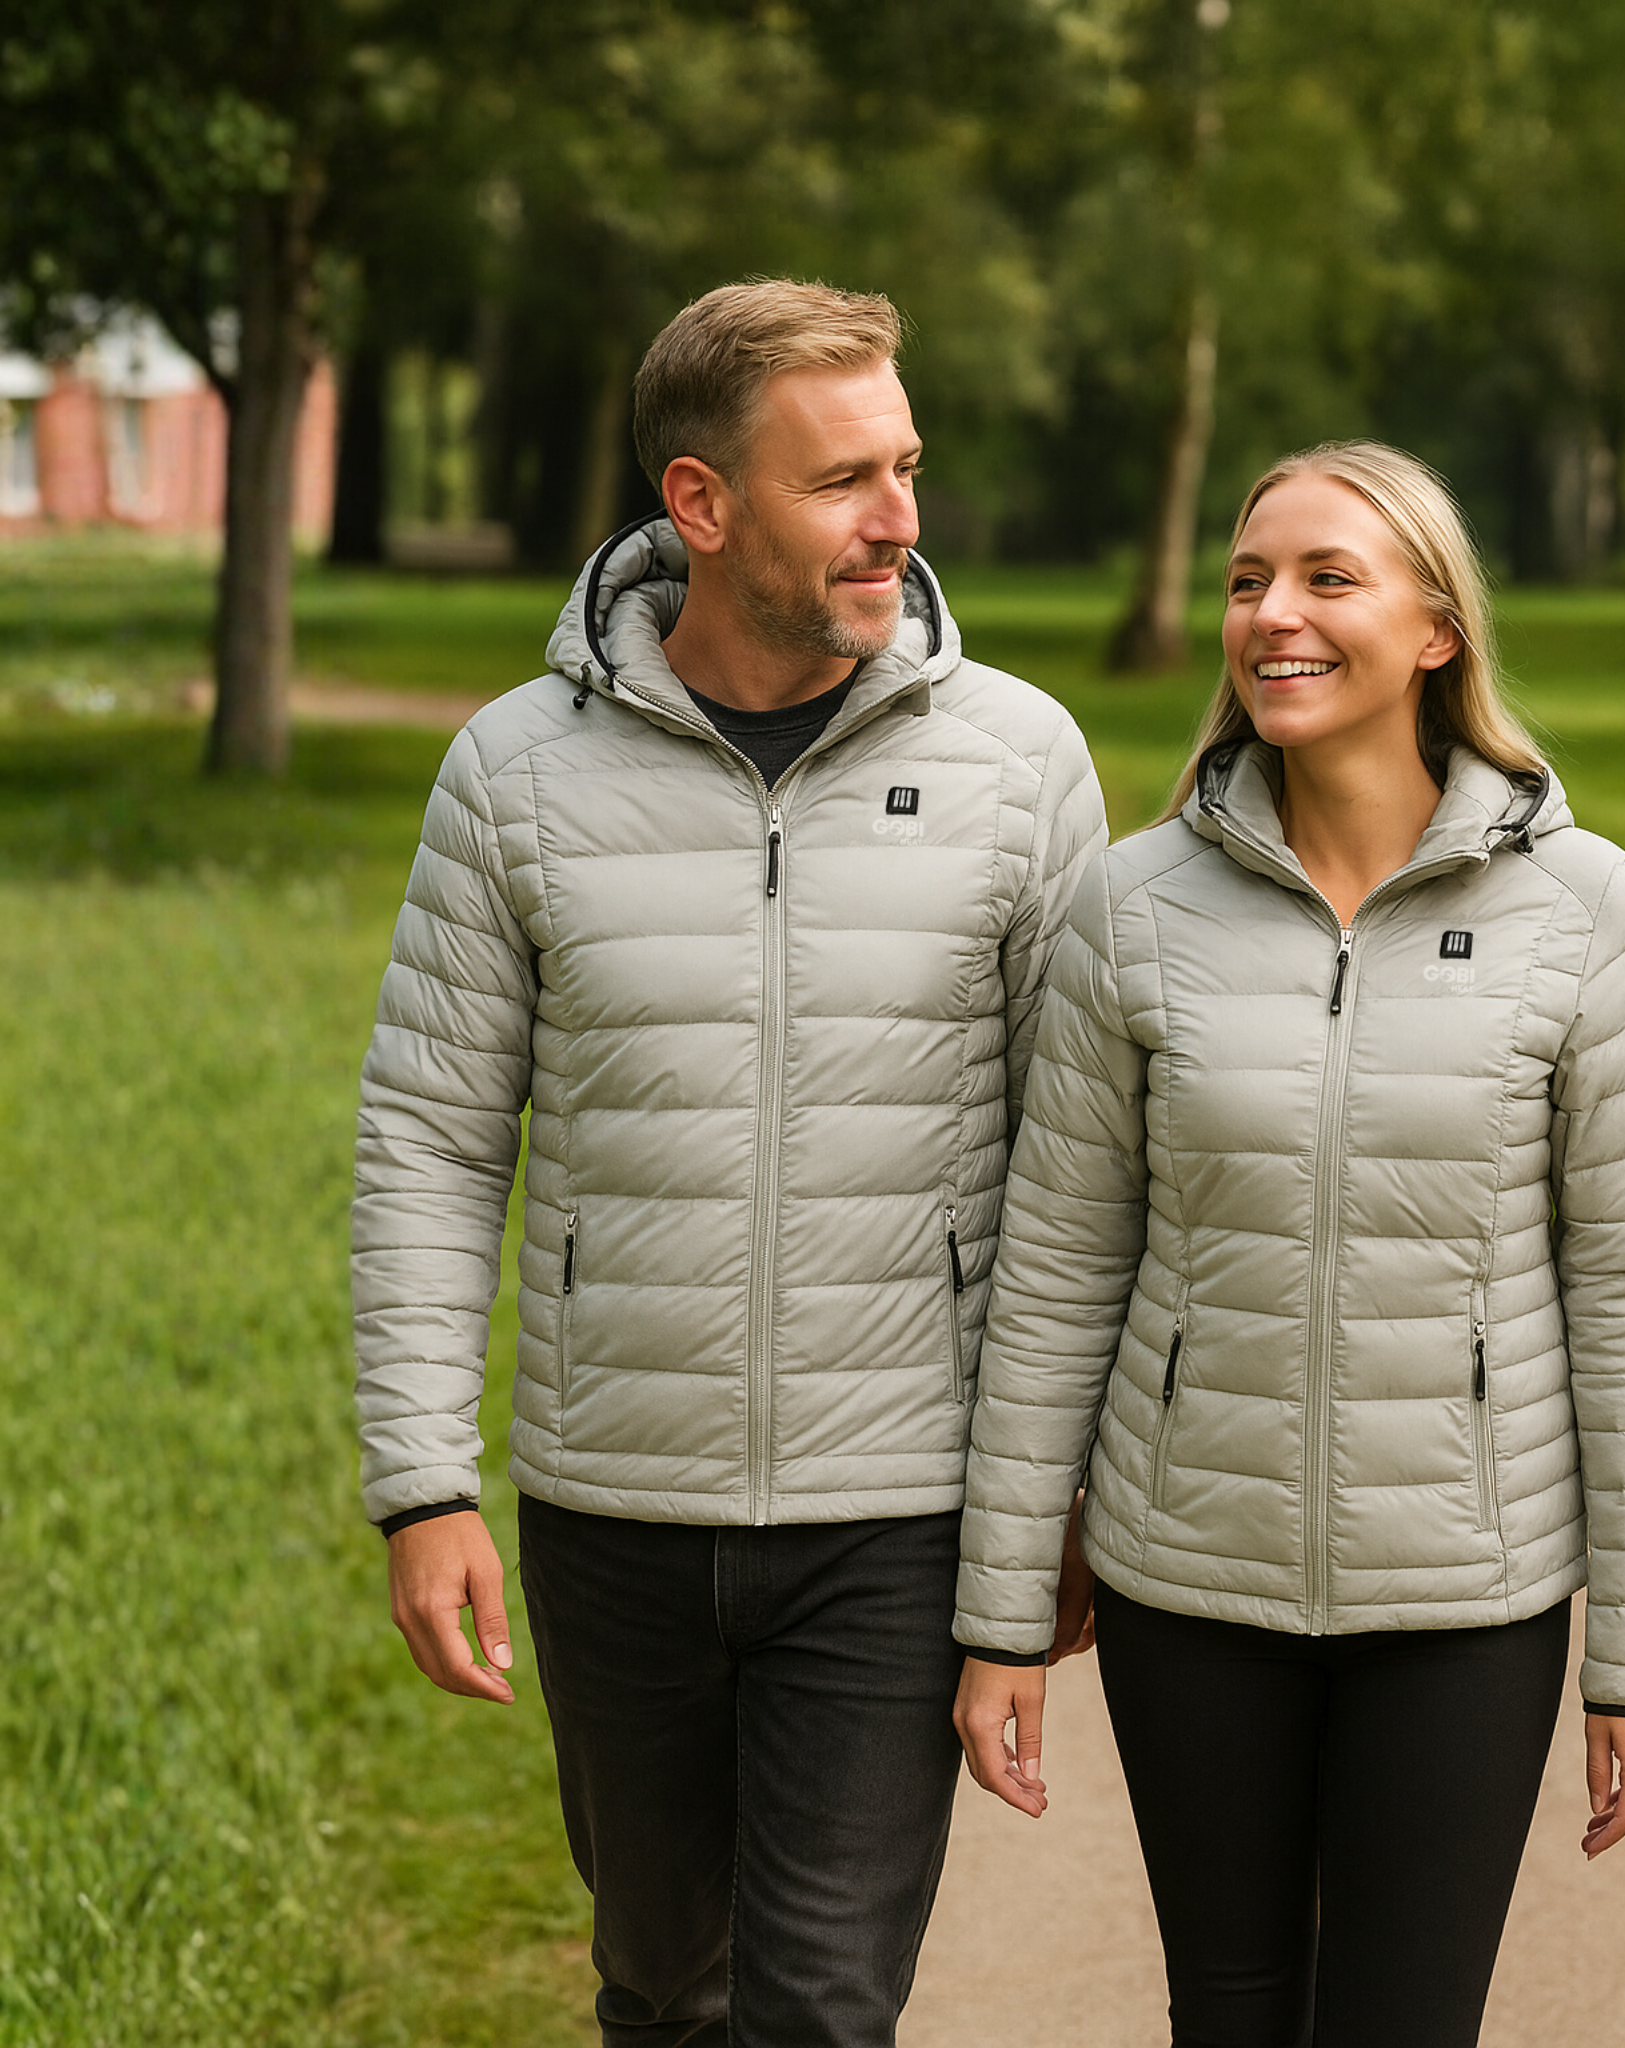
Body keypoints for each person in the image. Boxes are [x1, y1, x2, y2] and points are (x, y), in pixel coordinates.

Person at [352, 278, 1107, 2047]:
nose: (901, 520)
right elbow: (433, 1141)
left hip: (897, 1514)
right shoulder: (512, 778)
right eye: (845, 479)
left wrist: (1060, 1498)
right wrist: (422, 1483)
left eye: (905, 466)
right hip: (614, 1507)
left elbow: (1083, 1173)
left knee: (823, 2010)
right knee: (663, 1992)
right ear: (702, 506)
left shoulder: (1021, 765)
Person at [951, 441, 1625, 2047]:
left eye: (1325, 578)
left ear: (1438, 629)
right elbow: (1055, 1275)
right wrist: (1004, 1611)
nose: (1270, 615)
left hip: (1467, 1596)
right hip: (1188, 1584)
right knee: (1226, 2019)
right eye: (1247, 580)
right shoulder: (1131, 907)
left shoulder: (1583, 912)